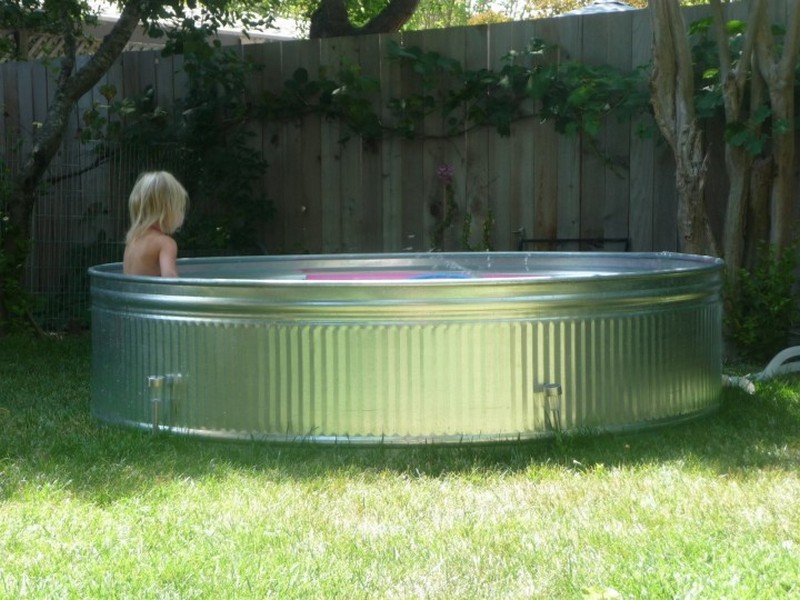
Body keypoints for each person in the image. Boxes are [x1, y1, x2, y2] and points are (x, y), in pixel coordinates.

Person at [123, 171, 188, 277]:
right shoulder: (165, 243)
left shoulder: (132, 241)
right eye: (179, 207)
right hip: (149, 293)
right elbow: (169, 279)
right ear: (168, 209)